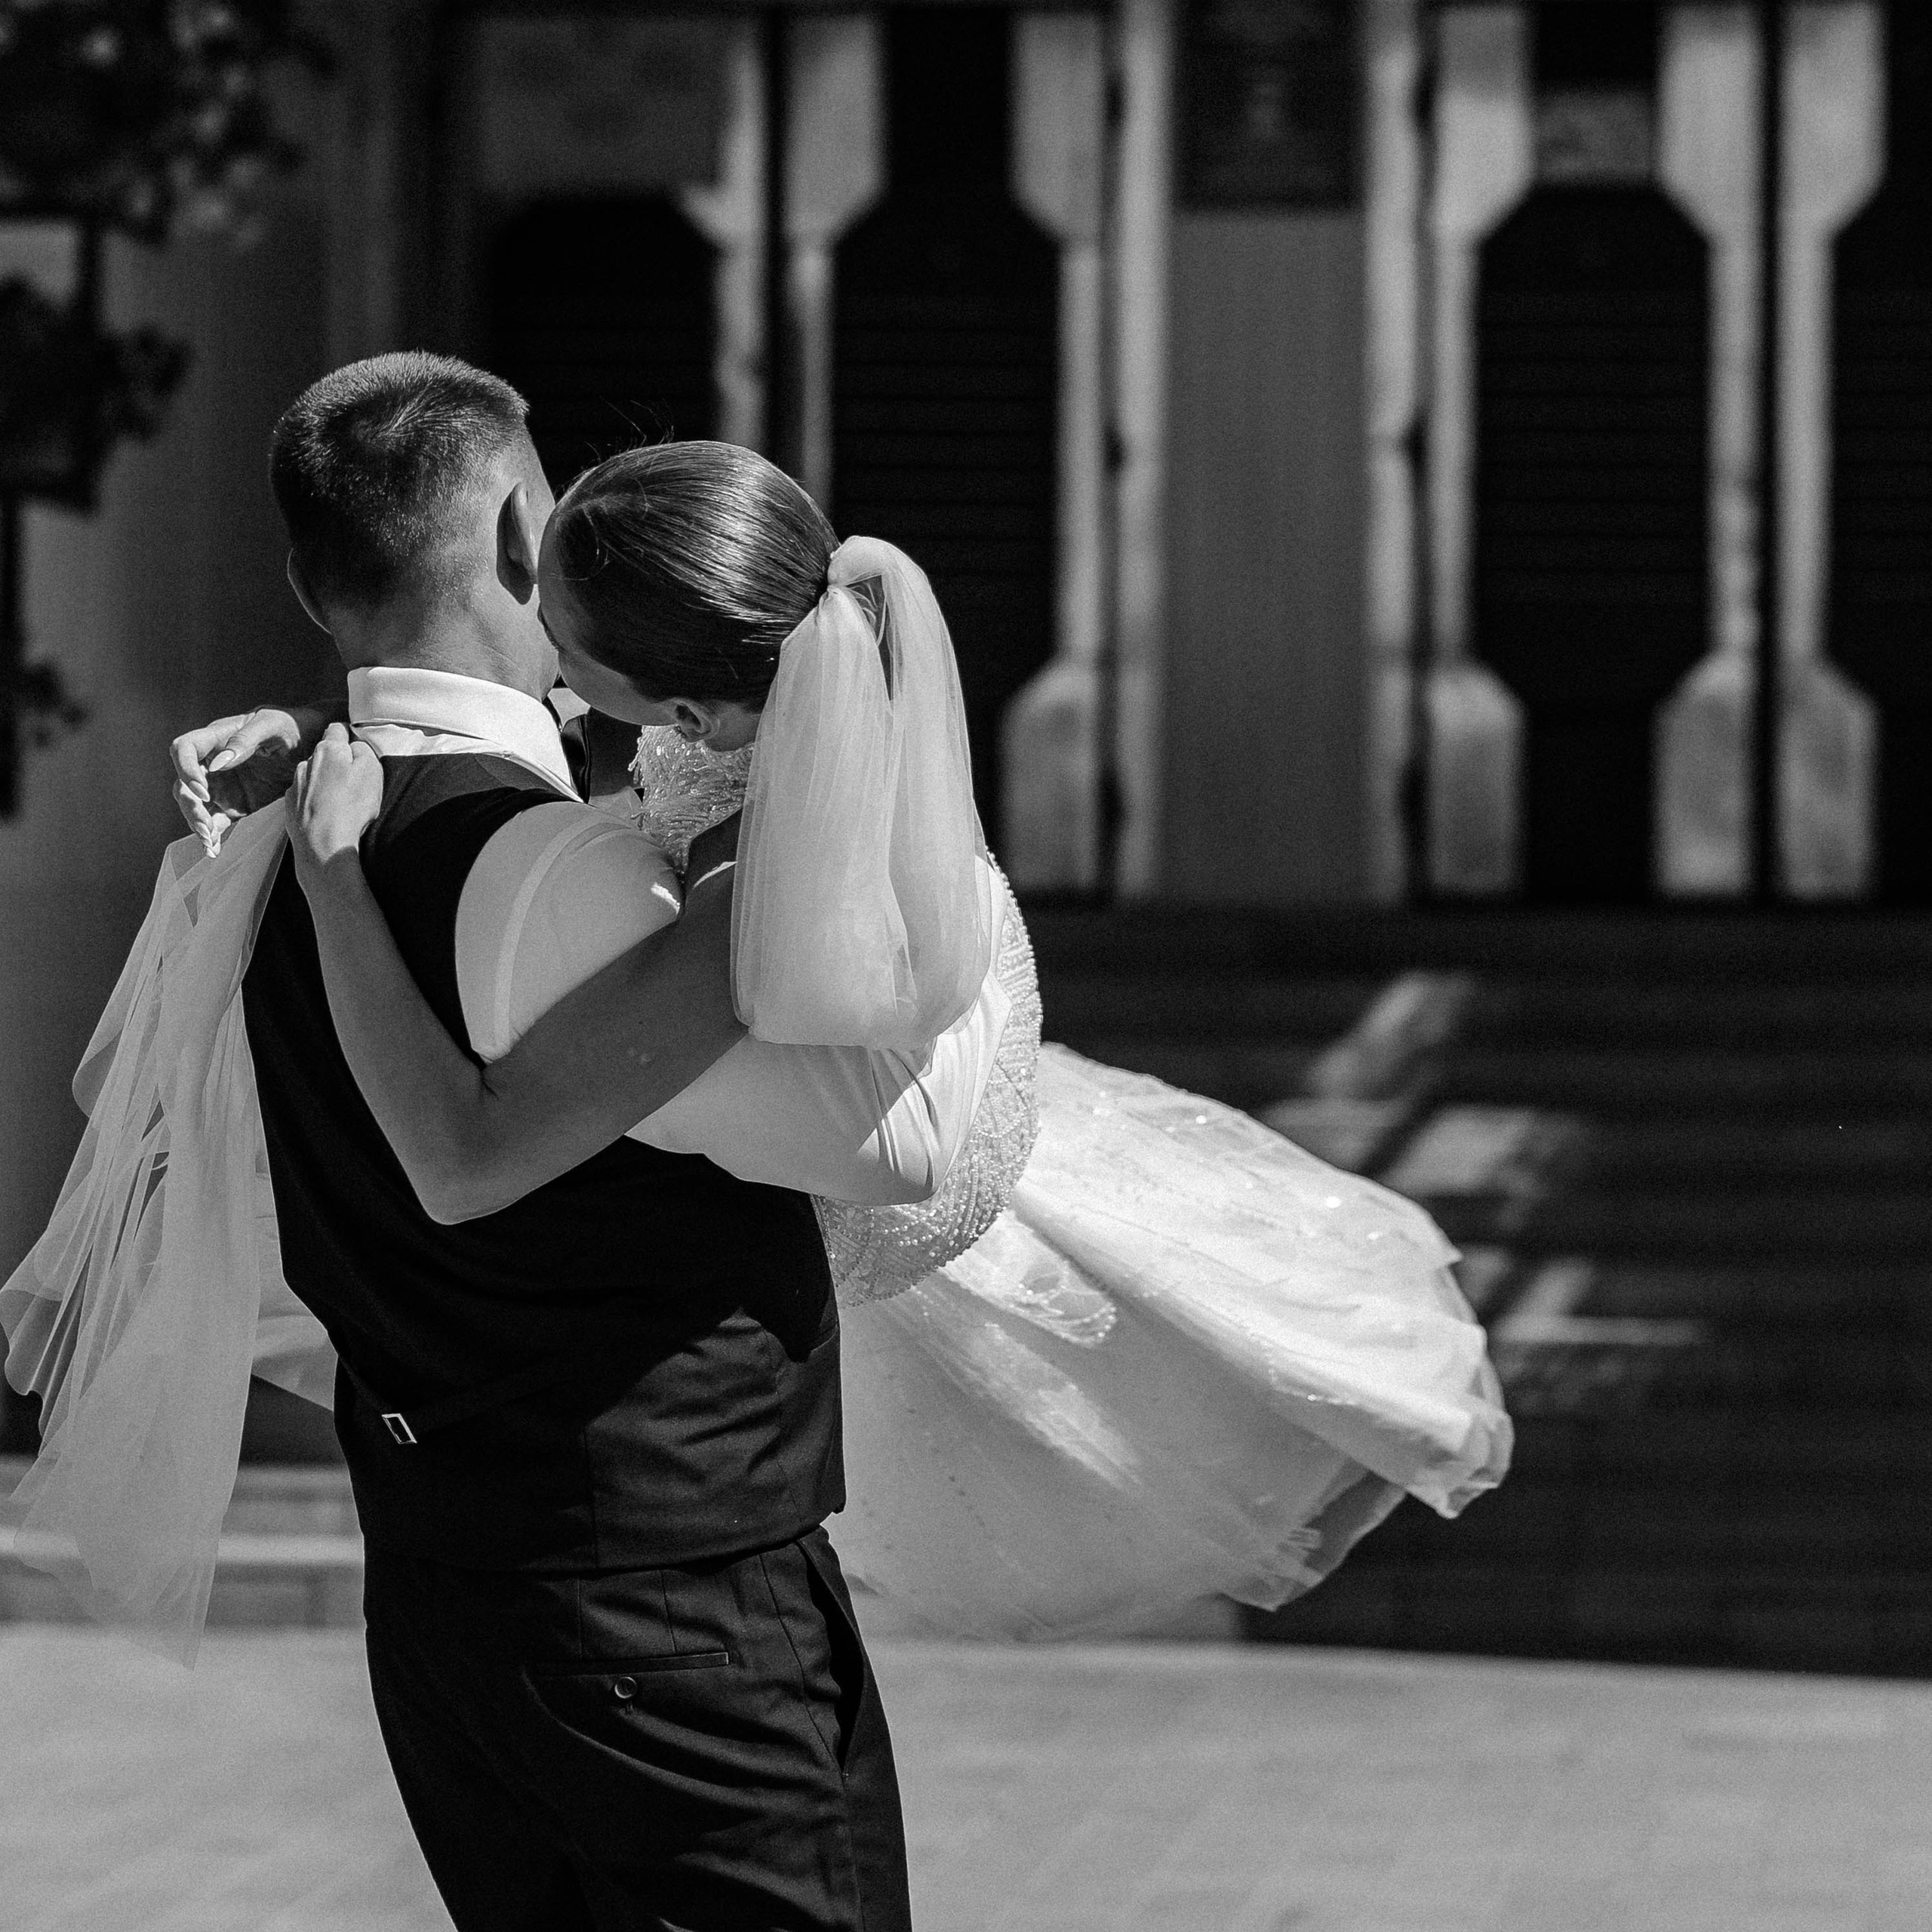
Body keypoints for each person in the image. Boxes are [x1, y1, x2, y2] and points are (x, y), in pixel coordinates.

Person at [4, 355, 1033, 1932]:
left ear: (302, 582)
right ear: (512, 537)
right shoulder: (587, 882)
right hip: (671, 1614)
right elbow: (904, 1143)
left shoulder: (257, 840)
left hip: (440, 1601)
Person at [234, 432, 1513, 1638]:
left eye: (557, 632)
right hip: (907, 1048)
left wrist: (341, 877)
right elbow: (520, 725)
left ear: (683, 715)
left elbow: (486, 1154)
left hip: (901, 1143)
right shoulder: (799, 681)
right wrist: (334, 724)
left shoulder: (753, 882)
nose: (533, 639)